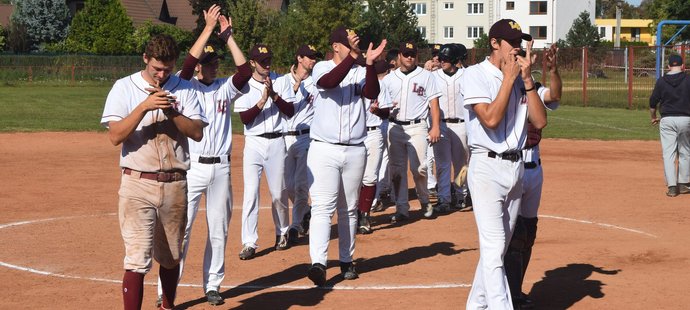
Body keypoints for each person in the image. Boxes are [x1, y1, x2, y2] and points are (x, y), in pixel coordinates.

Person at [153, 5, 251, 307]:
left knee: (218, 230)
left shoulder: (225, 88)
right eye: (207, 63)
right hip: (192, 169)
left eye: (214, 62)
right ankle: (164, 292)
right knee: (179, 231)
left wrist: (229, 38)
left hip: (220, 167)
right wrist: (207, 30)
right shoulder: (185, 86)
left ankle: (213, 285)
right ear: (199, 67)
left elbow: (245, 71)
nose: (211, 66)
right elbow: (187, 62)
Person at [101, 34, 207, 310]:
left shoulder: (184, 88)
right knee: (137, 258)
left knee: (172, 256)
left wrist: (172, 112)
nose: (162, 74)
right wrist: (145, 106)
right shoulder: (124, 87)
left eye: (167, 69)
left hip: (175, 183)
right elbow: (115, 136)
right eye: (157, 68)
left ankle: (166, 306)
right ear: (145, 59)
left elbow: (196, 132)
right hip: (137, 182)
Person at [460, 19, 547, 309]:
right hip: (486, 167)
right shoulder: (475, 74)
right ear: (495, 44)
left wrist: (527, 80)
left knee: (498, 249)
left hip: (516, 167)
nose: (517, 48)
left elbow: (540, 121)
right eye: (511, 42)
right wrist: (509, 79)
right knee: (495, 247)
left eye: (520, 41)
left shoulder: (521, 78)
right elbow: (491, 119)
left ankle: (476, 305)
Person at [306, 26, 386, 286]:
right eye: (349, 43)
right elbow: (328, 82)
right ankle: (318, 262)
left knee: (349, 209)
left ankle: (346, 260)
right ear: (337, 46)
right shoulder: (321, 67)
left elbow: (372, 92)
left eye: (356, 43)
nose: (355, 46)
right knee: (322, 207)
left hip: (354, 148)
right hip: (324, 148)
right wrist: (355, 57)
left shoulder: (360, 70)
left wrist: (370, 64)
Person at [504, 43, 562, 310]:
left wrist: (554, 69)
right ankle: (511, 293)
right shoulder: (501, 88)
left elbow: (555, 95)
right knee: (514, 234)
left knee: (529, 231)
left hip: (534, 167)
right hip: (511, 164)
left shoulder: (533, 89)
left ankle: (516, 289)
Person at [234, 43, 294, 260]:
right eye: (262, 61)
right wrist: (262, 100)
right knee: (251, 193)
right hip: (254, 143)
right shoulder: (244, 85)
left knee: (279, 193)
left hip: (277, 142)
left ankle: (283, 232)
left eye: (268, 60)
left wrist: (275, 96)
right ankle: (249, 242)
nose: (267, 64)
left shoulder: (282, 80)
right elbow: (244, 119)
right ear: (252, 63)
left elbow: (290, 111)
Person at [383, 41, 442, 222]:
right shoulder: (389, 79)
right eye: (406, 54)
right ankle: (402, 208)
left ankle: (425, 201)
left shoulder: (426, 76)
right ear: (399, 56)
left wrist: (436, 126)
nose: (409, 57)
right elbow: (382, 106)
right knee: (397, 170)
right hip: (395, 127)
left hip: (417, 126)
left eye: (412, 54)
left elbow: (434, 104)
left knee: (420, 168)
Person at [275, 44, 321, 244]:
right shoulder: (282, 81)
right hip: (284, 137)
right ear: (299, 58)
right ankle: (306, 211)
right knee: (287, 185)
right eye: (310, 57)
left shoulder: (316, 83)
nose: (313, 60)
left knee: (301, 185)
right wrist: (295, 87)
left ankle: (294, 226)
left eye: (314, 57)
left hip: (305, 138)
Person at [430, 43, 470, 213]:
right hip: (442, 125)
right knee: (442, 164)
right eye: (441, 58)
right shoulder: (433, 76)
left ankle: (461, 195)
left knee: (461, 164)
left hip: (462, 125)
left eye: (446, 58)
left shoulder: (467, 75)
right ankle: (444, 198)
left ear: (454, 60)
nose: (442, 61)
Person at [357, 59, 393, 234]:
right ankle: (353, 213)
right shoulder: (350, 85)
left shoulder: (379, 85)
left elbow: (386, 112)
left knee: (370, 176)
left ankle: (364, 214)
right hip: (354, 135)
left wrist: (377, 111)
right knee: (353, 178)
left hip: (373, 133)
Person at [649, 54, 690, 197]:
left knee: (668, 153)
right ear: (683, 66)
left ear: (668, 67)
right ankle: (684, 184)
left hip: (667, 119)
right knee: (685, 151)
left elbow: (653, 102)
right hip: (686, 119)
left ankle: (672, 187)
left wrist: (653, 117)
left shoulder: (661, 81)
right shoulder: (688, 79)